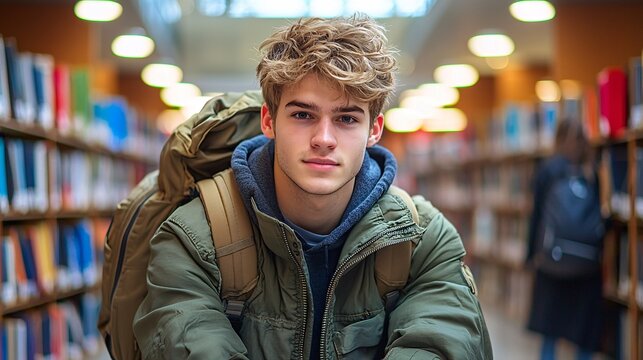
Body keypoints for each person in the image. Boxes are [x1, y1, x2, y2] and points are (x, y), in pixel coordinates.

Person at [132, 15, 492, 359]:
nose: (324, 139)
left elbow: (443, 340)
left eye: (347, 118)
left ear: (374, 130)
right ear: (269, 121)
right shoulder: (194, 239)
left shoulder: (423, 241)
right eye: (303, 115)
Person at [525, 119, 603, 360]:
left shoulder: (548, 169)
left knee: (550, 330)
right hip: (587, 264)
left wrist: (530, 255)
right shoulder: (593, 170)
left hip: (552, 260)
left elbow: (536, 216)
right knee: (584, 334)